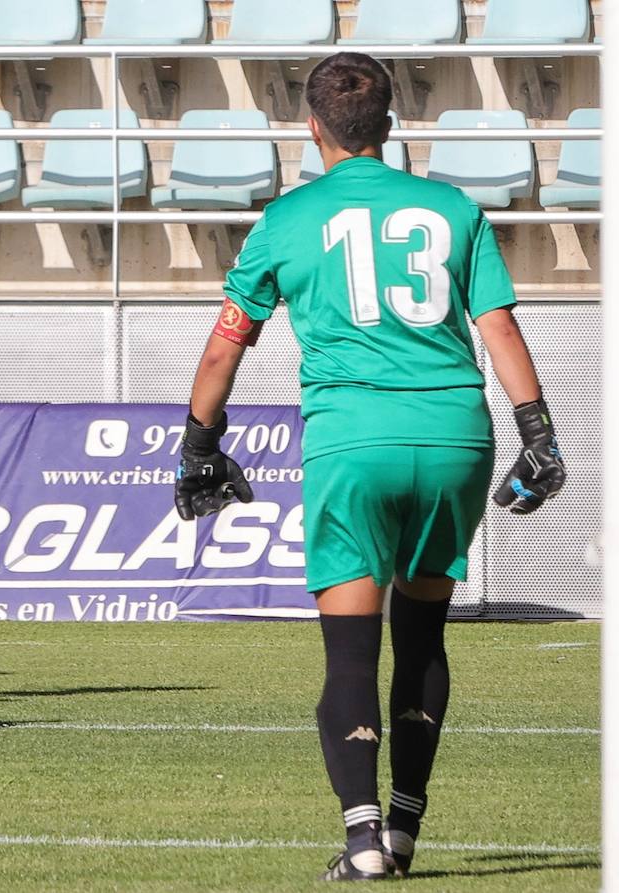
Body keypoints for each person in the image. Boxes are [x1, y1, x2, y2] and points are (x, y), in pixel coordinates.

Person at [173, 54, 565, 881]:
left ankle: (362, 843)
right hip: (456, 435)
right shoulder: (453, 207)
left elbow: (222, 349)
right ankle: (408, 831)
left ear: (310, 128)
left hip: (354, 439)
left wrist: (199, 445)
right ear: (389, 126)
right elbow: (497, 329)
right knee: (422, 633)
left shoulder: (286, 219)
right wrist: (539, 432)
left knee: (351, 652)